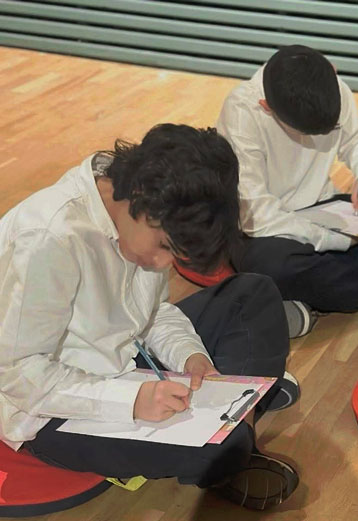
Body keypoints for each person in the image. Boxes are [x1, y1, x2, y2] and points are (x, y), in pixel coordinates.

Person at [0, 124, 299, 510]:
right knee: (219, 449)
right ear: (140, 196)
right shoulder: (49, 238)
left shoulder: (142, 215)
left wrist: (192, 357)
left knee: (253, 293)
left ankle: (236, 421)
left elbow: (153, 313)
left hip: (129, 361)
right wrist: (131, 400)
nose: (163, 263)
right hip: (47, 407)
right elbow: (17, 373)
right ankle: (239, 429)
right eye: (163, 247)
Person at [216, 45, 358, 336]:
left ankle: (328, 285)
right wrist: (337, 239)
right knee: (273, 266)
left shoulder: (329, 87)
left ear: (332, 72)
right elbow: (256, 215)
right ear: (266, 106)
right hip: (267, 232)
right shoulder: (241, 112)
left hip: (326, 210)